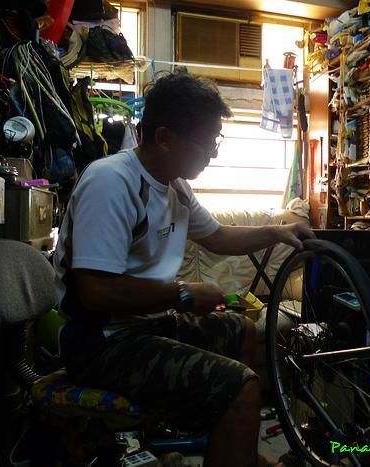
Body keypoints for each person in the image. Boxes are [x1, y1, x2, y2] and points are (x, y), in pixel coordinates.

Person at [53, 71, 313, 467]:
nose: (213, 153)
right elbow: (96, 291)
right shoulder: (111, 182)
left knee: (241, 329)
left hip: (147, 325)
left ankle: (233, 444)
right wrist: (184, 293)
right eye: (207, 142)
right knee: (242, 386)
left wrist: (277, 232)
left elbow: (218, 237)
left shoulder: (174, 185)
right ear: (164, 138)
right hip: (101, 343)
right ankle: (234, 431)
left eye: (216, 140)